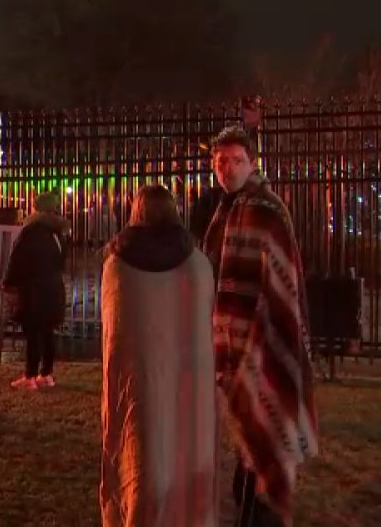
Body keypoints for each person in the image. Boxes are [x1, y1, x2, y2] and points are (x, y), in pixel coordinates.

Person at [204, 125, 318, 527]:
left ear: (252, 164)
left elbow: (278, 290)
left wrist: (255, 349)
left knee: (261, 448)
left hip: (262, 347)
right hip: (237, 349)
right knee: (248, 451)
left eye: (236, 160)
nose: (227, 168)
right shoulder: (228, 207)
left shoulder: (262, 208)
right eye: (220, 161)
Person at [99, 185, 217, 527]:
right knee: (184, 450)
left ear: (136, 211)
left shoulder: (117, 265)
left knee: (140, 451)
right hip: (187, 381)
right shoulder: (197, 264)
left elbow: (115, 333)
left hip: (138, 380)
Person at [2, 191, 69, 389]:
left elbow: (18, 260)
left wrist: (9, 283)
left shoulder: (31, 230)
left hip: (34, 288)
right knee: (48, 331)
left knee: (32, 331)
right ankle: (46, 373)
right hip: (53, 286)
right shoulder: (57, 231)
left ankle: (30, 375)